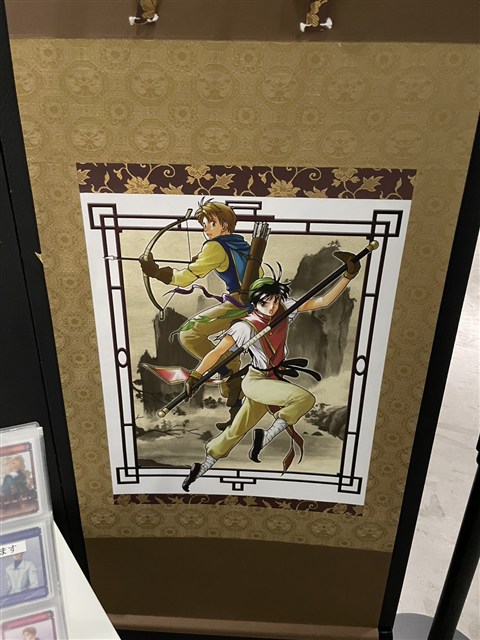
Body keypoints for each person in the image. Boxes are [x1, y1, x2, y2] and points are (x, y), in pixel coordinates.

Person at [182, 250, 360, 491]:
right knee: (305, 399)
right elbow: (217, 352)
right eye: (265, 302)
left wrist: (348, 276)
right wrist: (195, 375)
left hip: (272, 379)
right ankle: (264, 438)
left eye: (275, 301)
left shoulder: (285, 309)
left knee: (236, 430)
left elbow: (323, 302)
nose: (272, 307)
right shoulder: (245, 327)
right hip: (256, 381)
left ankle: (201, 467)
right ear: (255, 302)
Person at [140, 200, 259, 427]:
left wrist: (156, 272)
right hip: (252, 305)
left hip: (239, 305)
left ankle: (227, 371)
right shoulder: (242, 245)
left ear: (225, 224)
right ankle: (235, 407)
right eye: (204, 224)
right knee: (227, 355)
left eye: (211, 223)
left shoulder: (215, 247)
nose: (206, 229)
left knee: (189, 334)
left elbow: (187, 277)